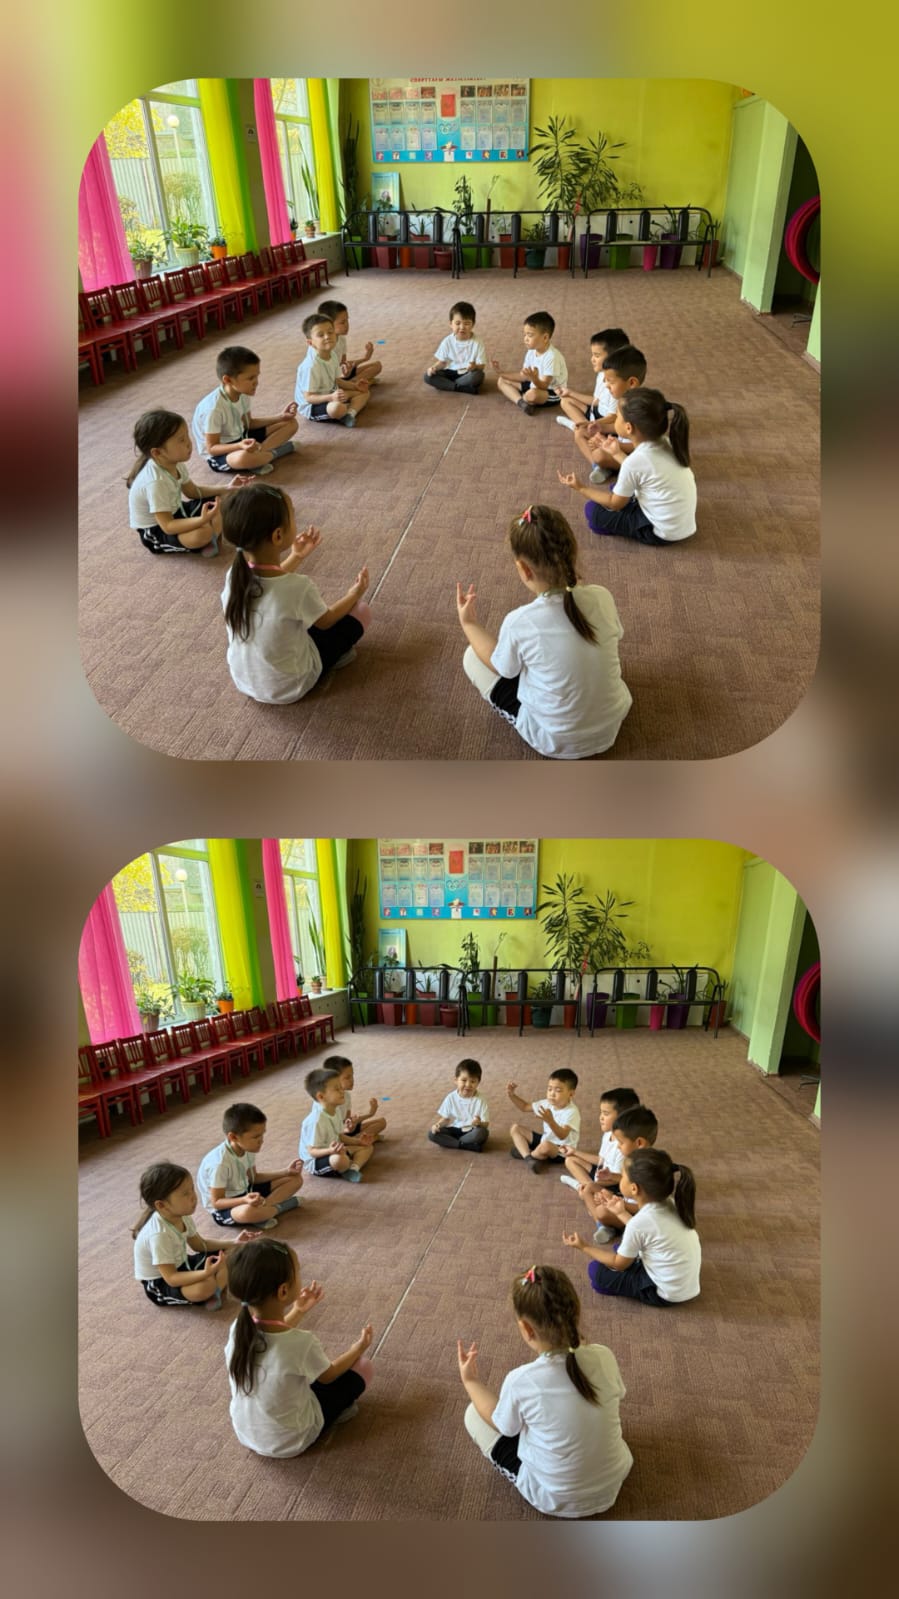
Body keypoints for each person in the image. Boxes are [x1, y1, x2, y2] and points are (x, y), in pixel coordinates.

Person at [457, 504, 632, 760]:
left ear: (524, 569)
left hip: (555, 739)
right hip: (612, 722)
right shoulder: (602, 596)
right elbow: (616, 635)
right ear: (573, 552)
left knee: (471, 657)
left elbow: (502, 669)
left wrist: (469, 624)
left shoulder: (520, 622)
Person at [457, 1263, 632, 1518]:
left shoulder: (521, 1381)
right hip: (614, 1477)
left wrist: (471, 1381)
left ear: (526, 1329)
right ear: (576, 1312)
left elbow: (503, 1427)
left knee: (473, 1414)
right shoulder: (604, 1356)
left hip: (555, 1498)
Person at [220, 483, 371, 705]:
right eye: (292, 515)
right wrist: (354, 593)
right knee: (361, 611)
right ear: (278, 535)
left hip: (244, 681)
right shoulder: (298, 587)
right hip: (291, 685)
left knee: (291, 616)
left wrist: (296, 556)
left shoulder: (235, 575)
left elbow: (272, 579)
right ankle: (332, 659)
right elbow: (326, 621)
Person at [225, 1238, 374, 1457]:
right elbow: (329, 1375)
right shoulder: (302, 1343)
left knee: (294, 1372)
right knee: (363, 1367)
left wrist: (298, 1311)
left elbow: (274, 1332)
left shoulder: (239, 1329)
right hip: (292, 1440)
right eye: (298, 1271)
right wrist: (358, 1348)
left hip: (246, 1433)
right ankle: (333, 1416)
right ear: (283, 1291)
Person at [559, 388, 696, 545]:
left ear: (628, 427)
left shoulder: (636, 461)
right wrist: (616, 453)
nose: (615, 420)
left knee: (592, 510)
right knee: (618, 488)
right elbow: (640, 468)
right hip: (680, 524)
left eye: (617, 417)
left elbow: (615, 503)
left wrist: (581, 488)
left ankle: (612, 525)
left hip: (659, 531)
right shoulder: (666, 442)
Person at [564, 1148, 701, 1306]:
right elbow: (644, 1229)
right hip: (684, 1284)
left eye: (622, 1176)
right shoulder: (670, 1202)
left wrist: (584, 1247)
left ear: (634, 1188)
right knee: (621, 1248)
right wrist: (621, 1212)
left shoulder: (640, 1222)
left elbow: (618, 1263)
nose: (619, 1179)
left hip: (663, 1292)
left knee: (595, 1270)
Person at [132, 1161, 255, 1309]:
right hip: (161, 1282)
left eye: (192, 1189)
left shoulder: (181, 1215)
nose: (193, 1197)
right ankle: (212, 1288)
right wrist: (205, 1273)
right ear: (162, 1205)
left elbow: (200, 1245)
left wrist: (234, 1242)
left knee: (232, 1254)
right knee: (203, 1287)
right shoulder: (159, 1235)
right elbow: (171, 1278)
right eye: (185, 1194)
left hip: (182, 1264)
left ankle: (214, 1291)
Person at [126, 410, 250, 557]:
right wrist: (201, 520)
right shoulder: (155, 482)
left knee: (223, 501)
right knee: (201, 534)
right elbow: (168, 526)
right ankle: (209, 536)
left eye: (187, 436)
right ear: (158, 452)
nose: (189, 443)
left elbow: (193, 491)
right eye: (181, 440)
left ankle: (211, 537)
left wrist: (226, 488)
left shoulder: (174, 463)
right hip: (156, 530)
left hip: (176, 510)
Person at [192, 345, 298, 476]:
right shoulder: (213, 409)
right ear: (228, 380)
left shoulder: (243, 393)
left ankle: (260, 456)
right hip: (221, 453)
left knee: (291, 423)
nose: (256, 382)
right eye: (250, 378)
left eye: (257, 376)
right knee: (243, 458)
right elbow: (212, 448)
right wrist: (239, 446)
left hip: (242, 437)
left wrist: (281, 417)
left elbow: (249, 424)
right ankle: (274, 453)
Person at [197, 1102, 305, 1229]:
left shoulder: (248, 1148)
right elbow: (217, 1202)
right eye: (256, 1137)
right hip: (225, 1206)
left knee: (295, 1179)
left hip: (247, 1191)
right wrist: (244, 1200)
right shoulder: (219, 1164)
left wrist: (286, 1171)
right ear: (233, 1137)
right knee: (248, 1212)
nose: (262, 1140)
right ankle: (279, 1207)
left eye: (263, 1134)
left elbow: (254, 1178)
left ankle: (264, 1210)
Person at [564, 1103, 659, 1240]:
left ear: (639, 1143)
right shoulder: (631, 1159)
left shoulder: (647, 1169)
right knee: (589, 1188)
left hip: (634, 1216)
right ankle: (603, 1225)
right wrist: (611, 1177)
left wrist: (615, 1203)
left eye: (621, 1143)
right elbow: (625, 1180)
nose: (618, 1147)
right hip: (622, 1200)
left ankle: (606, 1224)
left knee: (601, 1211)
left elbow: (645, 1209)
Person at [572, 345, 647, 480]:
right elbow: (619, 427)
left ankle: (605, 465)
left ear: (631, 383)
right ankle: (599, 467)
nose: (606, 385)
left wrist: (611, 445)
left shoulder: (639, 410)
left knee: (599, 454)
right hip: (618, 443)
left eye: (610, 382)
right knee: (580, 432)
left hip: (633, 456)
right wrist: (599, 427)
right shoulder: (622, 400)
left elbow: (639, 446)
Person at [298, 1065, 375, 1181]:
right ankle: (346, 1164)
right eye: (337, 1089)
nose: (342, 1091)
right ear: (321, 1096)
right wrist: (330, 1151)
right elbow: (312, 1152)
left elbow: (339, 1135)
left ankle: (353, 1169)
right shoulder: (316, 1121)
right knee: (340, 1160)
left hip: (335, 1151)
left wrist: (359, 1142)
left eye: (341, 1087)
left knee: (367, 1147)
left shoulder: (336, 1110)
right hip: (316, 1160)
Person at [294, 312, 371, 427]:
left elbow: (337, 380)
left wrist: (355, 386)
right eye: (320, 335)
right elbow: (309, 397)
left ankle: (349, 414)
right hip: (312, 406)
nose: (327, 336)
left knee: (364, 392)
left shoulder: (333, 355)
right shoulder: (311, 366)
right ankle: (344, 411)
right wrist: (331, 397)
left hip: (330, 394)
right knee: (337, 408)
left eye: (330, 332)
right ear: (310, 342)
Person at [560, 1086, 640, 1190]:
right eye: (601, 1112)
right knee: (570, 1160)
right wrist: (574, 1152)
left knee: (591, 1187)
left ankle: (583, 1187)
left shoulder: (623, 1145)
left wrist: (598, 1180)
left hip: (614, 1182)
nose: (601, 1117)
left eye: (606, 1114)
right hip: (602, 1174)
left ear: (622, 1117)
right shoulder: (608, 1134)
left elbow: (621, 1178)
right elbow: (600, 1160)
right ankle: (588, 1187)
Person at [491, 311, 568, 414]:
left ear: (545, 337)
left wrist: (534, 378)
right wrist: (501, 373)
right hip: (533, 384)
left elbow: (544, 386)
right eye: (525, 335)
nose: (525, 339)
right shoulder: (531, 351)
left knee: (532, 395)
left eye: (530, 335)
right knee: (502, 380)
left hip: (551, 391)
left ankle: (524, 398)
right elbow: (523, 376)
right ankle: (522, 402)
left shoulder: (552, 357)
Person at [556, 327, 630, 433]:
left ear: (612, 358)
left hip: (607, 422)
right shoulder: (601, 374)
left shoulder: (617, 385)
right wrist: (570, 393)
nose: (592, 359)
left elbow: (612, 417)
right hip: (596, 413)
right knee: (565, 401)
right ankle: (583, 427)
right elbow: (596, 401)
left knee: (583, 435)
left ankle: (579, 427)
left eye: (597, 355)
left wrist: (593, 424)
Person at [506, 1068, 580, 1171]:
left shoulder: (572, 1112)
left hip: (561, 1151)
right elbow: (525, 1107)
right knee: (515, 1128)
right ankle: (530, 1158)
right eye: (549, 1089)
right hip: (545, 1140)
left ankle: (527, 1154)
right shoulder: (547, 1103)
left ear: (571, 1094)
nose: (552, 1094)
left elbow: (562, 1135)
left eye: (558, 1090)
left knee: (545, 1146)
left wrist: (550, 1121)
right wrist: (512, 1095)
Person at [424, 301, 487, 393]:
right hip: (449, 372)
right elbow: (442, 362)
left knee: (478, 375)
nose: (462, 327)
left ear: (473, 324)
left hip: (467, 373)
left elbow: (482, 366)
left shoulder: (477, 342)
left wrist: (474, 367)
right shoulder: (447, 341)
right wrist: (433, 368)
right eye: (457, 323)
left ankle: (448, 385)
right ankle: (461, 388)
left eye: (466, 323)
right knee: (428, 376)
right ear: (451, 324)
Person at [428, 1058, 489, 1151]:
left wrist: (479, 1123)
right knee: (432, 1134)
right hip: (455, 1130)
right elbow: (446, 1119)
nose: (468, 1085)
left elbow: (486, 1124)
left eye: (473, 1081)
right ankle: (465, 1145)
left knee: (482, 1132)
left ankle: (453, 1143)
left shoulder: (481, 1100)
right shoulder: (451, 1097)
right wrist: (437, 1125)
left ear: (478, 1083)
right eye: (464, 1080)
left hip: (471, 1131)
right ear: (456, 1080)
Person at [317, 299, 383, 384]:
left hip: (341, 375)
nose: (347, 325)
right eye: (342, 322)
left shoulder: (342, 338)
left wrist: (365, 358)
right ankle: (358, 384)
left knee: (377, 365)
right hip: (331, 381)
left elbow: (344, 365)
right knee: (360, 391)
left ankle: (355, 384)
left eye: (347, 320)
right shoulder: (325, 346)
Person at [325, 1055, 388, 1141]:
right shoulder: (330, 1102)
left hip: (346, 1131)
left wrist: (370, 1113)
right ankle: (365, 1140)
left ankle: (361, 1140)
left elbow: (347, 1121)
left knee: (382, 1122)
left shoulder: (347, 1095)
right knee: (367, 1147)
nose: (352, 1080)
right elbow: (335, 1132)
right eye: (347, 1077)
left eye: (352, 1075)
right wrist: (348, 1129)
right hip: (337, 1136)